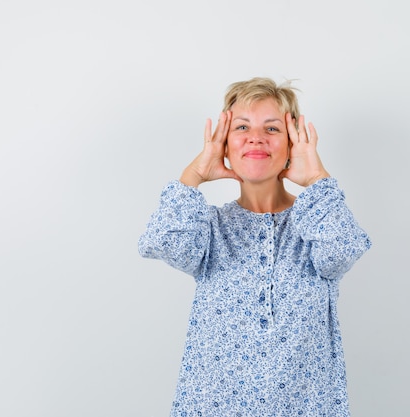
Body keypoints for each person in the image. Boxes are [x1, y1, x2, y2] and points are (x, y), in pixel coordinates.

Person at [138, 77, 371, 417]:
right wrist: (196, 171)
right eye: (242, 126)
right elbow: (163, 241)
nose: (256, 137)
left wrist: (316, 176)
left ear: (293, 142)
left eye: (273, 129)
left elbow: (343, 250)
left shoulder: (315, 225)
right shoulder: (210, 229)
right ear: (225, 146)